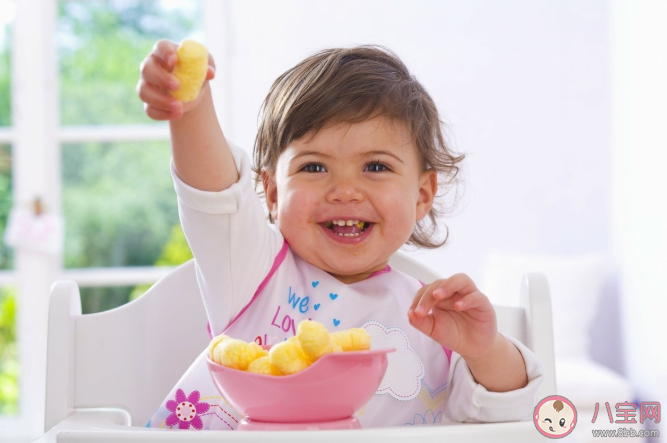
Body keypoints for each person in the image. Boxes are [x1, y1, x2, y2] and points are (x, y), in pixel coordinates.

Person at [136, 40, 543, 430]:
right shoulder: (252, 267)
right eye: (314, 167)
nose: (345, 190)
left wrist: (483, 350)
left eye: (376, 167)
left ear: (421, 196)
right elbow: (215, 198)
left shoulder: (435, 321)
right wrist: (188, 106)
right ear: (274, 194)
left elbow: (513, 412)